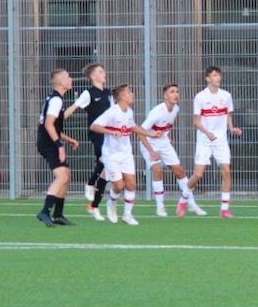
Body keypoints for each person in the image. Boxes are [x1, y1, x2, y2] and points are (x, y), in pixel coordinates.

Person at [90, 84, 158, 226]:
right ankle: (111, 203)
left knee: (131, 183)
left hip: (125, 153)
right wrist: (111, 132)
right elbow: (94, 126)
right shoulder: (112, 112)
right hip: (111, 155)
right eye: (129, 92)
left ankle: (127, 215)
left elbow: (133, 127)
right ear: (121, 97)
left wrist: (150, 134)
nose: (132, 94)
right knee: (119, 186)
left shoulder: (129, 112)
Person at [186, 66, 243, 219]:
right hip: (204, 140)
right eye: (214, 75)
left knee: (226, 171)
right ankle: (184, 198)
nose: (218, 78)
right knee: (198, 175)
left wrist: (232, 128)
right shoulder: (200, 97)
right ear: (207, 79)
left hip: (221, 140)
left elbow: (227, 115)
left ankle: (224, 209)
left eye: (219, 75)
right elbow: (196, 121)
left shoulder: (226, 96)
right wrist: (207, 133)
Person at [138, 83, 200, 218]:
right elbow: (140, 132)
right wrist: (151, 151)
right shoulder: (157, 112)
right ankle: (160, 207)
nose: (176, 94)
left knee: (179, 170)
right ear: (165, 96)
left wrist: (167, 137)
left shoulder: (176, 108)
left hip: (163, 143)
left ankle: (191, 203)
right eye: (172, 92)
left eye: (177, 91)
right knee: (157, 169)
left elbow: (164, 127)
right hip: (148, 143)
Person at [64, 63, 112, 221]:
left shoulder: (108, 93)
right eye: (100, 71)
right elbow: (74, 107)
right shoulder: (88, 93)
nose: (104, 73)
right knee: (105, 161)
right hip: (97, 132)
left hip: (109, 134)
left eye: (103, 71)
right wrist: (58, 119)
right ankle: (90, 185)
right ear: (93, 77)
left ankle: (93, 203)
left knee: (106, 168)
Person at [35, 69, 79, 227]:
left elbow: (52, 126)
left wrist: (67, 139)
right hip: (48, 143)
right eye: (68, 77)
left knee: (66, 175)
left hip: (49, 140)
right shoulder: (56, 100)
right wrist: (60, 146)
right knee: (62, 176)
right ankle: (45, 212)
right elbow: (48, 125)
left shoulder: (55, 99)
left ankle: (58, 215)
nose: (71, 79)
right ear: (60, 82)